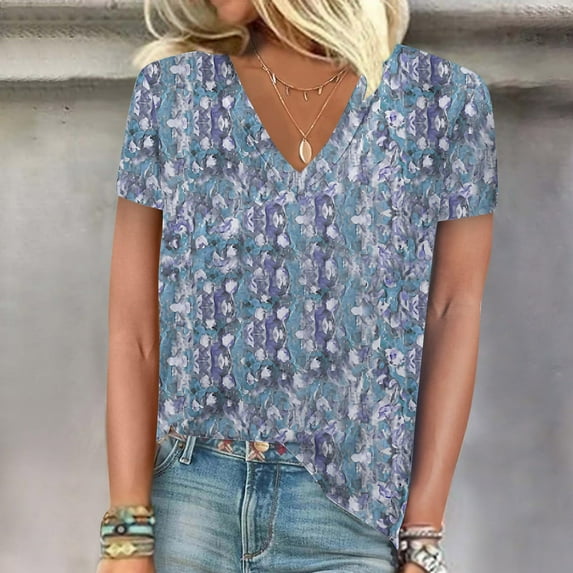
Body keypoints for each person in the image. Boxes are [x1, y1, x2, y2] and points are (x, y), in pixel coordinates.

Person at [97, 0, 498, 572]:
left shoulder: (443, 99)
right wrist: (126, 539)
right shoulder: (173, 92)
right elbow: (134, 329)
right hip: (189, 503)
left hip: (350, 518)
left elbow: (454, 312)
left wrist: (423, 542)